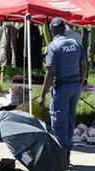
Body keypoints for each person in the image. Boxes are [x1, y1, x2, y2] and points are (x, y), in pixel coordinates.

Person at [38, 17, 87, 164]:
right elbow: (84, 66)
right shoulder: (76, 44)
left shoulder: (54, 46)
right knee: (70, 120)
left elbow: (50, 73)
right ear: (64, 28)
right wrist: (80, 82)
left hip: (62, 88)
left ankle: (60, 156)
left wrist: (42, 95)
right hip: (75, 87)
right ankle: (67, 153)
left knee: (59, 122)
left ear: (52, 31)